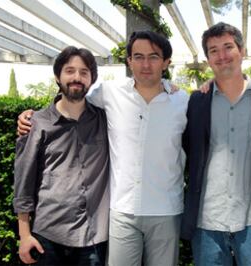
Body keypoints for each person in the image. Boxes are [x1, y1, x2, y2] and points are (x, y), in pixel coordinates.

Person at [18, 31, 188, 266]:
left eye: (154, 57)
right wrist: (31, 116)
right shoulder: (110, 93)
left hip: (166, 209)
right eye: (138, 56)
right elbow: (71, 98)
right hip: (121, 212)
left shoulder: (184, 101)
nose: (145, 64)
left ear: (166, 62)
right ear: (129, 61)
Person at [181, 22, 251, 265]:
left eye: (228, 47)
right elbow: (189, 148)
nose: (222, 56)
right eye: (213, 50)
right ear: (208, 58)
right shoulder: (197, 101)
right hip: (207, 219)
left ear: (242, 50)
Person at [13, 46, 109, 265]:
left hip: (92, 237)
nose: (77, 77)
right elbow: (23, 181)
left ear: (92, 79)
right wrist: (24, 235)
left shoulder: (105, 121)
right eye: (70, 71)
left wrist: (167, 86)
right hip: (48, 235)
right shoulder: (35, 123)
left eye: (84, 72)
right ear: (57, 76)